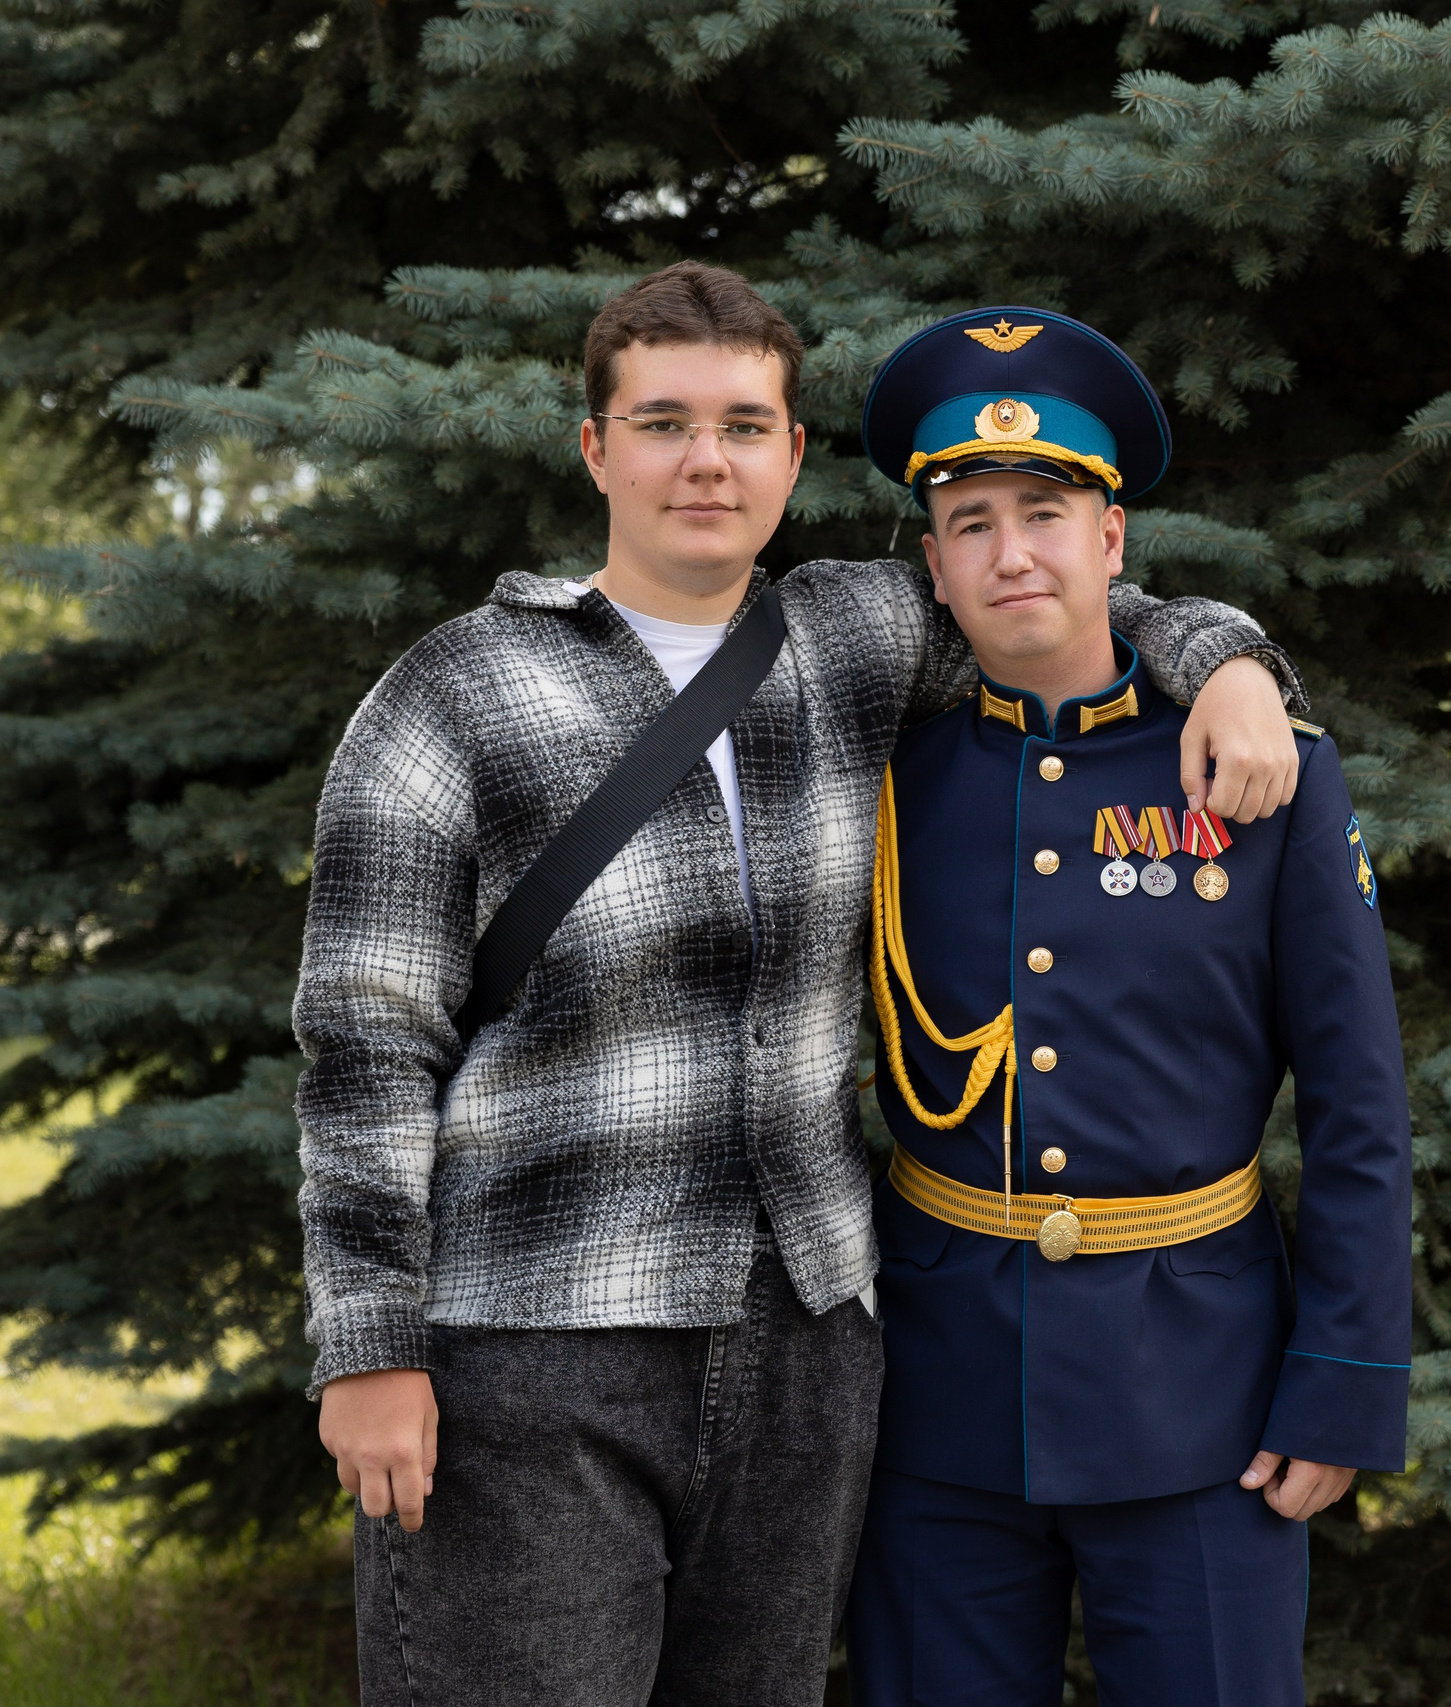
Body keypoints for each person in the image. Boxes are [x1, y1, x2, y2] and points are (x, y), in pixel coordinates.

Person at [291, 263, 1310, 1707]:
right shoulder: (453, 692)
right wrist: (371, 1350)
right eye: (661, 422)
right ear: (595, 449)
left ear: (792, 457)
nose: (705, 460)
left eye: (744, 425)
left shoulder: (852, 639)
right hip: (535, 1342)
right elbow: (361, 1049)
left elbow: (1056, 586)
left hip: (805, 1344)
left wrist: (1235, 662)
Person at [843, 308, 1414, 1706]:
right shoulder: (880, 772)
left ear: (1112, 542)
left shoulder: (1267, 769)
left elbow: (1355, 1105)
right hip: (942, 1394)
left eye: (1045, 511)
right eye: (970, 521)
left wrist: (1342, 1378)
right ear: (932, 561)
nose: (1010, 552)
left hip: (1204, 1397)